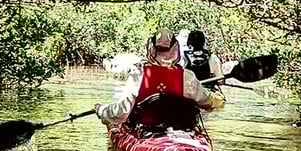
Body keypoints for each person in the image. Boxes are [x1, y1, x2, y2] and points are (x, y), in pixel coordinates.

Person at [95, 29, 224, 127]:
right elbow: (206, 103)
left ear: (151, 49)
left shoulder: (138, 75)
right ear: (175, 49)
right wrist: (215, 101)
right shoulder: (187, 76)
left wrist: (101, 110)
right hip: (181, 130)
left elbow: (120, 115)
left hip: (146, 130)